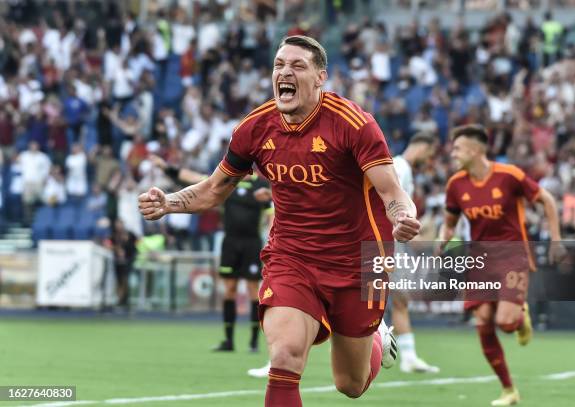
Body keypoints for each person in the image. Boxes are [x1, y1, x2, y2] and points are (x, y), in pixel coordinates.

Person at [139, 35, 420, 405]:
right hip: (292, 259)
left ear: (321, 77)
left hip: (357, 263)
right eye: (278, 65)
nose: (284, 72)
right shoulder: (255, 128)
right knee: (285, 355)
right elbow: (214, 188)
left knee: (350, 385)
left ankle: (376, 339)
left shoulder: (354, 124)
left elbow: (393, 193)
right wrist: (169, 202)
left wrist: (404, 216)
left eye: (297, 66)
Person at [440, 124, 564, 406]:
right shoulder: (455, 184)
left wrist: (556, 239)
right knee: (483, 322)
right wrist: (441, 242)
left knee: (505, 324)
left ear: (474, 150)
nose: (453, 153)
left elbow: (547, 199)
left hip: (512, 256)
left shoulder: (509, 176)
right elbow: (449, 224)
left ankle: (520, 316)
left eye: (457, 148)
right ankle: (509, 390)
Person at [150, 154, 271, 353]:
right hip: (230, 242)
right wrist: (166, 167)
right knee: (229, 290)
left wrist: (271, 207)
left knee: (252, 291)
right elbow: (194, 179)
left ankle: (253, 342)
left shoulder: (261, 186)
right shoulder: (228, 181)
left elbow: (270, 213)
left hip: (251, 243)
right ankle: (228, 341)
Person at [390, 131, 440, 374]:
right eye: (430, 154)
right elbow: (385, 203)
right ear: (423, 147)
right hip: (384, 243)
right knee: (376, 302)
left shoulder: (403, 168)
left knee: (400, 299)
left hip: (393, 244)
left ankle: (408, 357)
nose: (429, 160)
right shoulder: (400, 167)